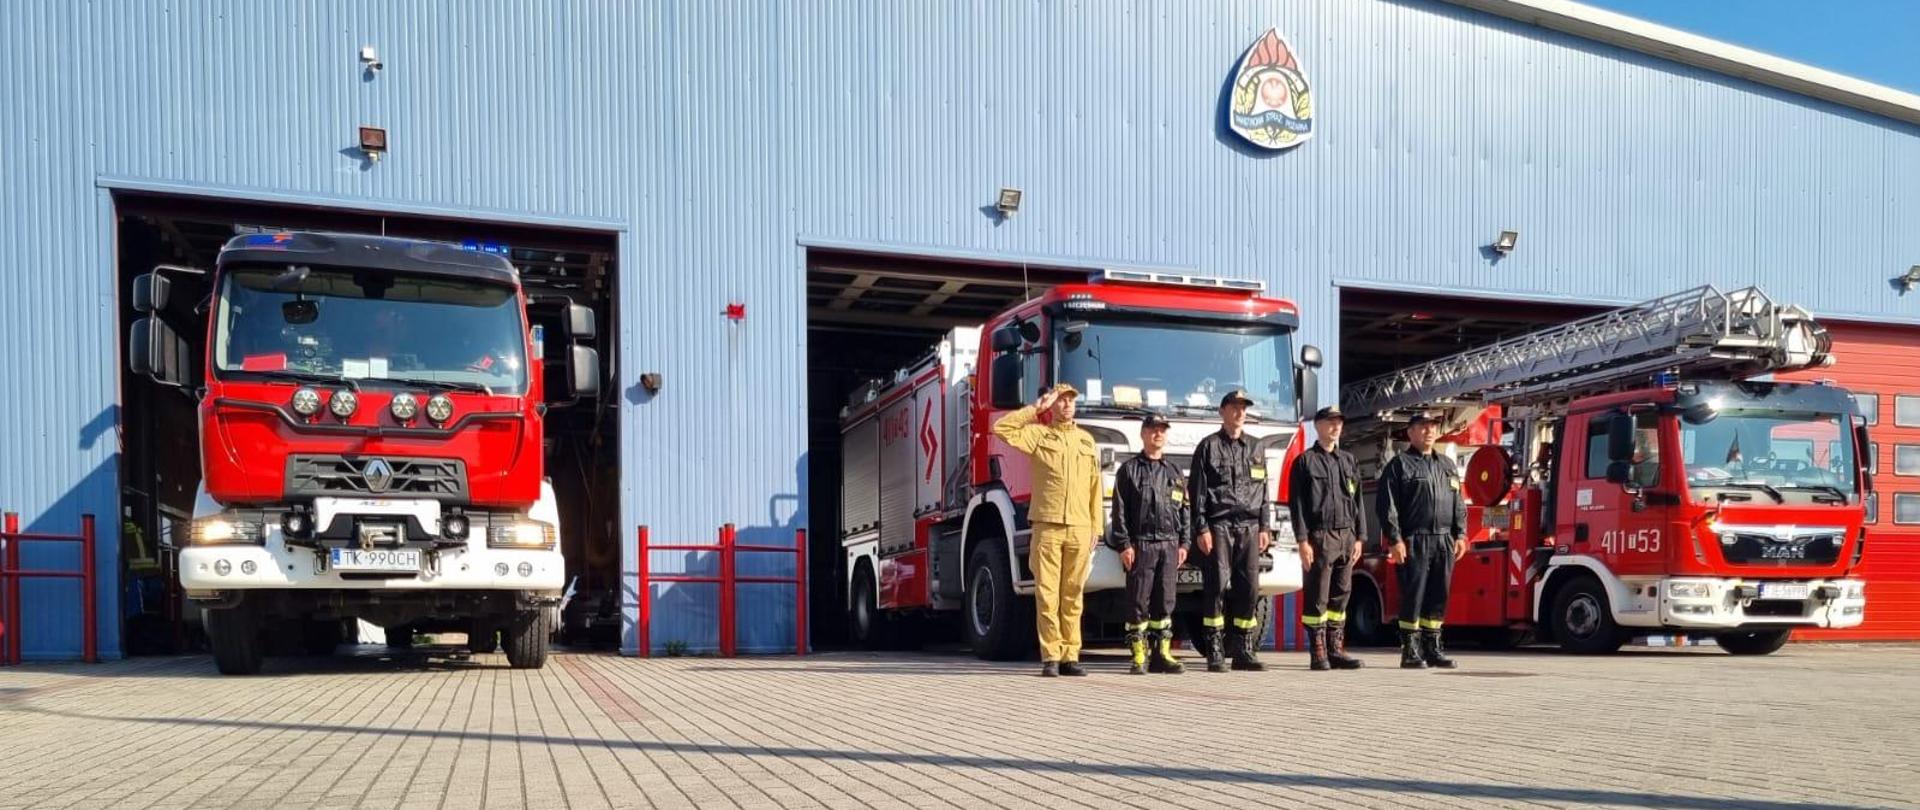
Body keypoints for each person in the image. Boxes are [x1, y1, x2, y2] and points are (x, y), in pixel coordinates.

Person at [993, 383, 1102, 678]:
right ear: (1052, 405)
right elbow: (1002, 428)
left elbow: (1095, 485)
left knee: (1073, 595)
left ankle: (1070, 655)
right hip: (1048, 525)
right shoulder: (1039, 435)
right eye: (1061, 400)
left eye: (1070, 401)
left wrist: (1097, 525)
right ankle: (1051, 656)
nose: (1066, 405)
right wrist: (1036, 407)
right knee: (1047, 593)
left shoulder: (1086, 441)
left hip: (1080, 527)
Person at [1188, 389, 1272, 673]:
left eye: (1243, 408)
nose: (1239, 412)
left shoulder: (1256, 447)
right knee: (1216, 586)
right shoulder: (1208, 447)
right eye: (1234, 407)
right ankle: (1214, 648)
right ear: (1222, 412)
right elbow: (1197, 491)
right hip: (1219, 525)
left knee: (1249, 588)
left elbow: (1264, 490)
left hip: (1249, 527)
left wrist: (1265, 525)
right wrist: (1201, 528)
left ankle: (1243, 649)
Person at [1375, 412, 1467, 669]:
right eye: (1422, 427)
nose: (1428, 431)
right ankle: (1410, 650)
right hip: (1415, 539)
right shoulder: (1400, 465)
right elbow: (1387, 506)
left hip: (1444, 540)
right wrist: (1395, 539)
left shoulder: (1447, 465)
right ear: (1410, 433)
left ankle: (1433, 648)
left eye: (1432, 427)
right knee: (1413, 595)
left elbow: (1458, 503)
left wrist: (1460, 534)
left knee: (1439, 595)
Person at [1107, 414, 1190, 675]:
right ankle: (1139, 655)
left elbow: (1185, 509)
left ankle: (1162, 654)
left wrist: (1184, 543)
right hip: (1141, 545)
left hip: (1169, 544)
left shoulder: (1174, 472)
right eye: (1153, 429)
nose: (1158, 434)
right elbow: (1118, 512)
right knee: (1138, 601)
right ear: (1143, 434)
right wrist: (1124, 545)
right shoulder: (1129, 470)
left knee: (1165, 601)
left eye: (1162, 430)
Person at [1287, 405, 1365, 671]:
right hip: (1319, 536)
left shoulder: (1348, 460)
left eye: (1339, 422)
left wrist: (1359, 537)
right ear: (1318, 426)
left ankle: (1335, 648)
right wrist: (1302, 540)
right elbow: (1296, 504)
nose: (1336, 427)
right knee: (1317, 595)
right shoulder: (1305, 462)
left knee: (1341, 594)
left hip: (1346, 534)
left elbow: (1358, 501)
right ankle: (1317, 650)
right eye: (1330, 422)